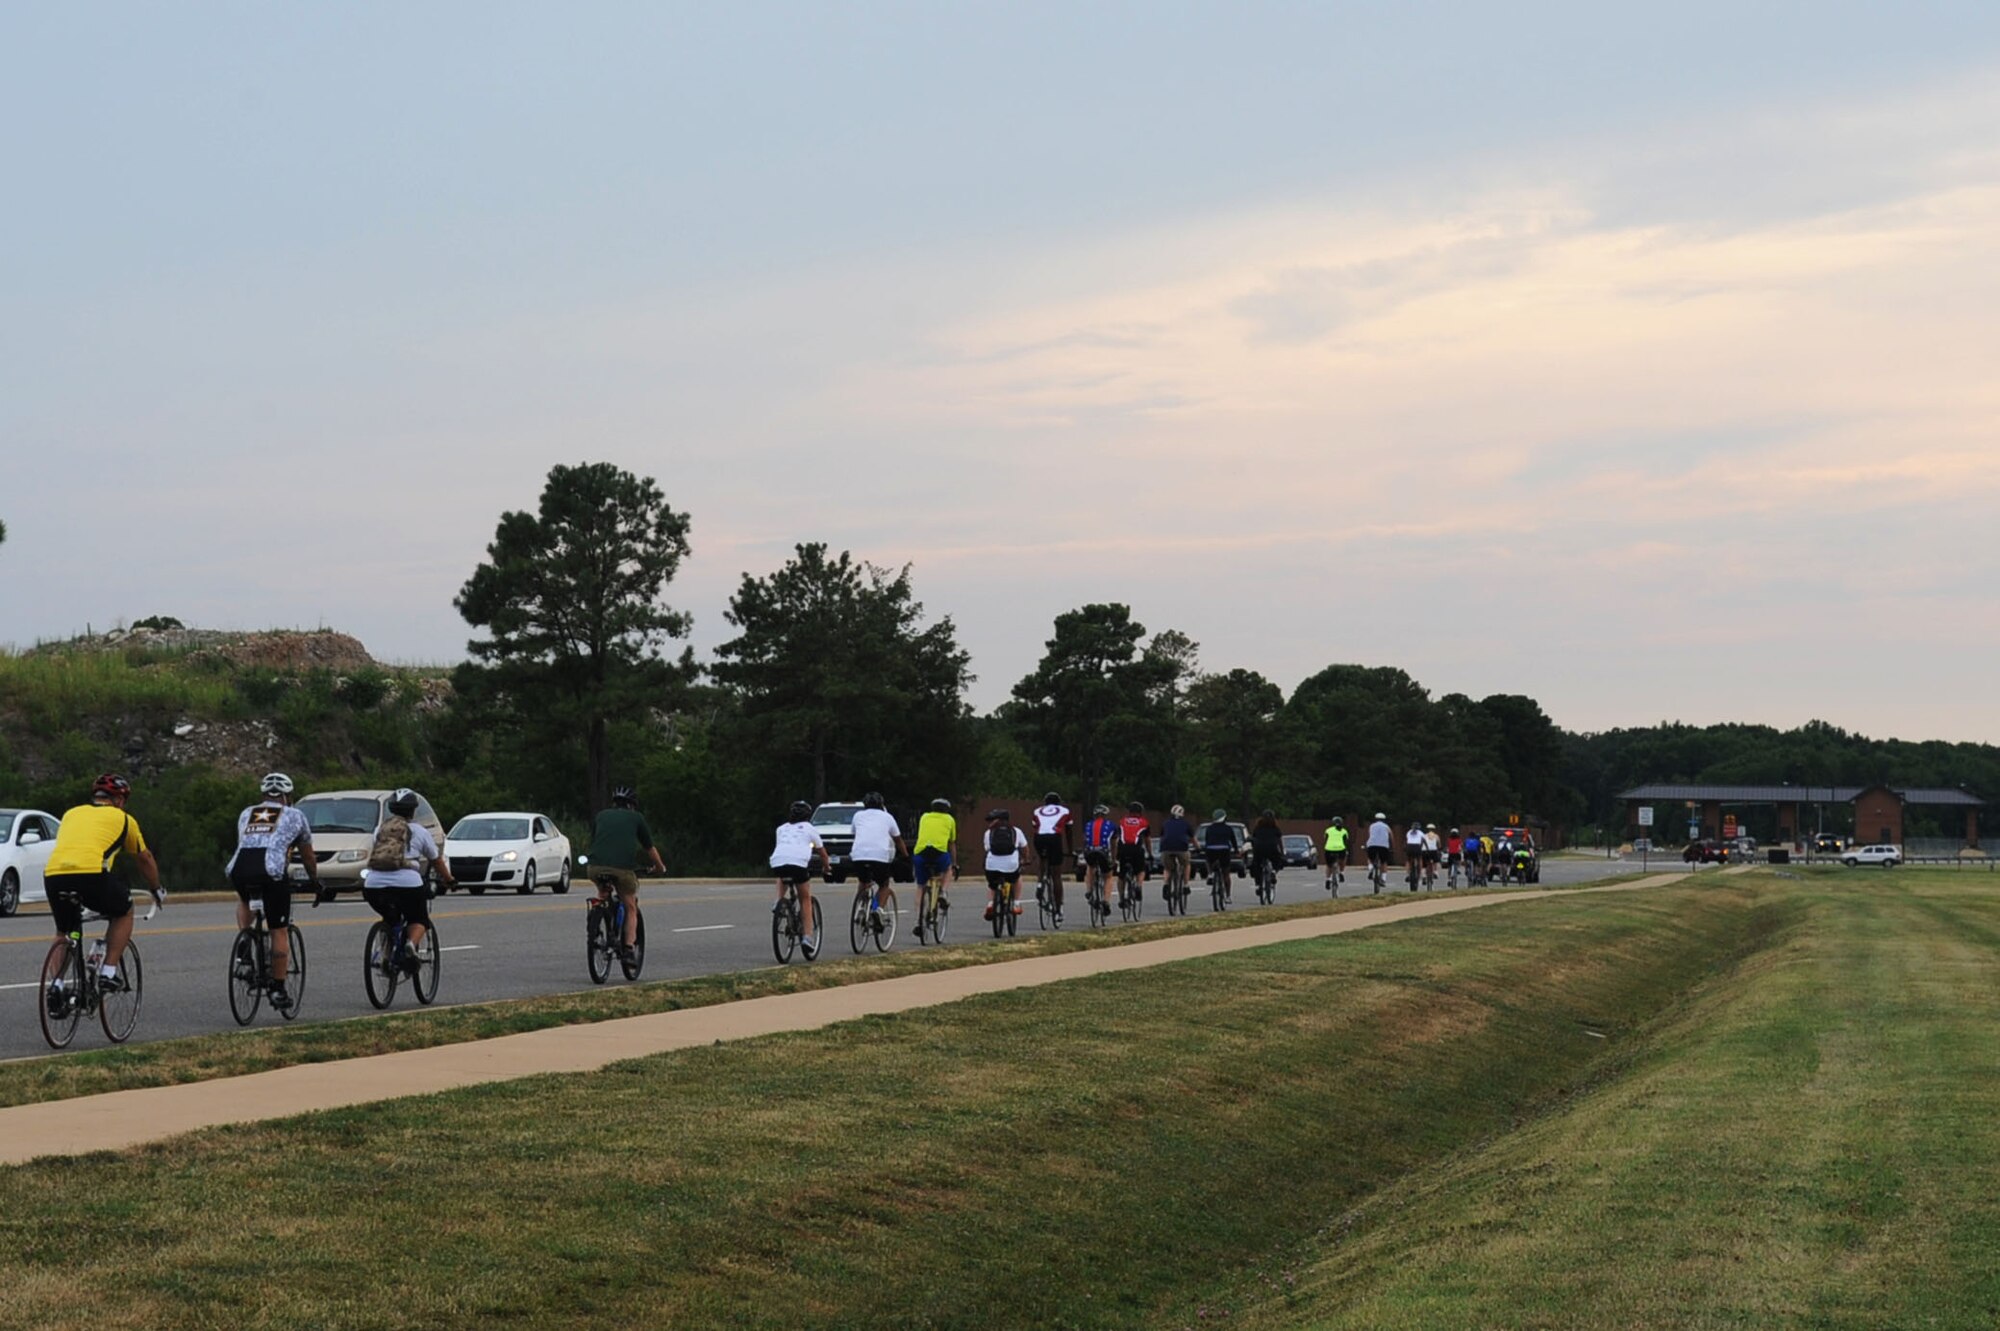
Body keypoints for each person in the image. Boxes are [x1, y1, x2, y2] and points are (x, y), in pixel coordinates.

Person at [43, 773, 162, 998]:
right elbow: (144, 858)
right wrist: (156, 888)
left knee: (64, 931)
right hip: (90, 873)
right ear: (119, 800)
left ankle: (56, 987)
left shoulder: (71, 813)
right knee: (124, 909)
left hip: (54, 874)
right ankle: (108, 971)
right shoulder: (124, 819)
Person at [226, 772, 318, 1010]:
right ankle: (278, 989)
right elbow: (307, 855)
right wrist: (315, 879)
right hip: (271, 871)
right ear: (287, 796)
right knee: (279, 930)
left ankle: (246, 939)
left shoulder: (247, 812)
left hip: (239, 869)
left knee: (246, 901)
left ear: (263, 794)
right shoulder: (296, 815)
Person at [362, 788, 454, 970]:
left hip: (373, 885)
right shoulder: (420, 831)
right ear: (413, 810)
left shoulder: (379, 830)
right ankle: (411, 945)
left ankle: (387, 955)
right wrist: (449, 879)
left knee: (390, 918)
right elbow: (436, 860)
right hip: (408, 884)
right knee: (419, 919)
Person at [588, 785, 665, 959]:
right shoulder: (636, 818)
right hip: (622, 869)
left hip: (594, 867)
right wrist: (660, 868)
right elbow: (649, 848)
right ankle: (629, 947)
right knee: (630, 906)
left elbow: (595, 840)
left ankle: (595, 921)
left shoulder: (601, 815)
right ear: (632, 805)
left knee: (602, 893)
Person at [771, 800, 830, 954]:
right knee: (805, 898)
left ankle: (778, 901)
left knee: (782, 873)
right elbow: (822, 853)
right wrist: (827, 867)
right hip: (798, 864)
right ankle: (808, 938)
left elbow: (783, 848)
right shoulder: (810, 828)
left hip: (778, 861)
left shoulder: (781, 829)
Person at [850, 792, 906, 919]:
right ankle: (878, 910)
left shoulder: (858, 816)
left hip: (859, 856)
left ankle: (860, 907)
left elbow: (855, 833)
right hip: (879, 857)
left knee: (863, 881)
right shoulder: (887, 817)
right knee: (884, 884)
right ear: (881, 804)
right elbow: (898, 839)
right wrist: (905, 855)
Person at [1030, 793, 1073, 915]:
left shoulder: (1037, 810)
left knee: (1043, 858)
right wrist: (1070, 850)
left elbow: (1035, 827)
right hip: (1054, 837)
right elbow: (1069, 831)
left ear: (1045, 803)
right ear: (1059, 802)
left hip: (1039, 838)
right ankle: (1058, 908)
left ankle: (1040, 883)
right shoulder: (1065, 810)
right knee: (1056, 875)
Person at [912, 798, 958, 910]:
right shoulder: (949, 819)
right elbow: (951, 844)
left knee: (920, 886)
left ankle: (918, 920)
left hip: (921, 852)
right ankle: (943, 892)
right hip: (939, 853)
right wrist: (954, 863)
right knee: (948, 869)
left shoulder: (924, 817)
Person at [983, 809, 1025, 919]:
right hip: (1011, 865)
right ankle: (1016, 904)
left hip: (992, 866)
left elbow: (987, 848)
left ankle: (990, 904)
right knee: (1017, 878)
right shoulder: (1016, 831)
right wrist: (1025, 859)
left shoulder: (989, 833)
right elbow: (1025, 848)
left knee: (992, 885)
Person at [1080, 804, 1118, 916]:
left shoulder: (1088, 825)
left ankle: (1089, 890)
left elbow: (1085, 840)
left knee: (1090, 866)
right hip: (1103, 852)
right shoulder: (1111, 825)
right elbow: (1114, 844)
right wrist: (1114, 859)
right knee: (1108, 876)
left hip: (1090, 851)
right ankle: (1106, 901)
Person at [1115, 801, 1151, 906]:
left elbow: (1117, 838)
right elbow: (1147, 840)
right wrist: (1150, 854)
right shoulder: (1143, 822)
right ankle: (1138, 886)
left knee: (1121, 876)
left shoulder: (1122, 821)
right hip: (1136, 849)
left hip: (1123, 849)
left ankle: (1121, 898)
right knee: (1141, 870)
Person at [1200, 808, 1241, 900]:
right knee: (1226, 873)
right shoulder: (1228, 828)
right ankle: (1228, 896)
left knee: (1208, 860)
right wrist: (1236, 851)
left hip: (1211, 850)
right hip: (1224, 850)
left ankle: (1210, 873)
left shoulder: (1209, 828)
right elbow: (1233, 841)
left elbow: (1207, 840)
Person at [1159, 804, 1195, 902]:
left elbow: (1162, 835)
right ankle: (1186, 885)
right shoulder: (1186, 824)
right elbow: (1192, 838)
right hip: (1182, 848)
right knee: (1187, 864)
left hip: (1166, 848)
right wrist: (1198, 847)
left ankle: (1166, 884)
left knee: (1167, 868)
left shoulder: (1166, 823)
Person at [1249, 810, 1284, 899]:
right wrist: (1282, 852)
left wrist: (1254, 850)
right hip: (1272, 848)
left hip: (1259, 849)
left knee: (1256, 865)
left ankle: (1258, 884)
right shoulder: (1275, 828)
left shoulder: (1258, 827)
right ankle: (1273, 871)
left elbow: (1254, 838)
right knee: (1277, 860)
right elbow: (1279, 840)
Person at [1364, 812, 1393, 892]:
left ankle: (1371, 868)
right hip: (1384, 846)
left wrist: (1367, 845)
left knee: (1370, 858)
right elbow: (1391, 836)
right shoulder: (1387, 827)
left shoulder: (1371, 826)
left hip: (1372, 845)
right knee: (1384, 862)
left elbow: (1370, 836)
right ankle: (1383, 879)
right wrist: (1391, 847)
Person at [1323, 816, 1350, 892]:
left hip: (1329, 849)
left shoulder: (1328, 830)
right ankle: (1341, 872)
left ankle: (1328, 879)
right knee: (1344, 857)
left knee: (1329, 865)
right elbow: (1346, 840)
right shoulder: (1344, 831)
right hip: (1340, 849)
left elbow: (1325, 838)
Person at [1404, 820, 1427, 890]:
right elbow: (1424, 841)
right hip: (1417, 847)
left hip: (1409, 846)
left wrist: (1405, 848)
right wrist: (1427, 848)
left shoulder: (1408, 832)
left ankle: (1408, 874)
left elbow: (1407, 840)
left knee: (1408, 860)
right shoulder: (1421, 833)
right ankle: (1419, 874)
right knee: (1420, 858)